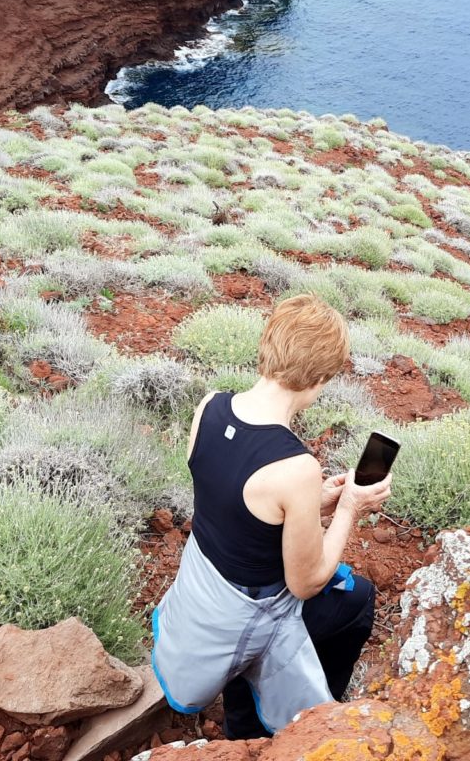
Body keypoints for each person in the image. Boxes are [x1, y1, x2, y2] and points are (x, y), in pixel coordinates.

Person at [151, 294, 392, 739]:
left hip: (203, 588)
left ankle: (244, 697)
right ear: (319, 378)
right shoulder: (295, 467)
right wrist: (350, 508)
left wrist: (310, 502)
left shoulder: (210, 406)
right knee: (356, 599)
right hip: (247, 614)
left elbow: (231, 501)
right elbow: (307, 582)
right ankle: (292, 724)